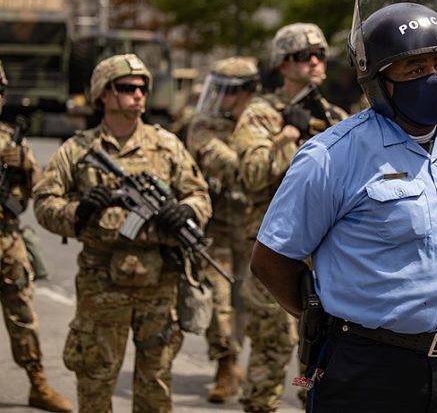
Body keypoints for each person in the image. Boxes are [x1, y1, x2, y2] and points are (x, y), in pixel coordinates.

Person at [250, 0, 437, 413]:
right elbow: (271, 259)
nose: (435, 79)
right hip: (367, 370)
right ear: (377, 81)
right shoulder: (331, 156)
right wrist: (318, 319)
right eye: (414, 67)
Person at [32, 54, 212, 412]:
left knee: (155, 388)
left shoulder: (167, 145)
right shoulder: (79, 150)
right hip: (102, 285)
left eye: (142, 87)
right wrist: (78, 211)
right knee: (95, 384)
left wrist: (186, 211)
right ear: (103, 94)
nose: (139, 94)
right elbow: (43, 203)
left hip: (159, 283)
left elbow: (200, 194)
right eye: (127, 88)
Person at [234, 22, 347, 413]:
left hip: (325, 256)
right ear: (283, 65)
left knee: (315, 356)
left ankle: (305, 397)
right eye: (304, 56)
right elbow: (251, 174)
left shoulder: (335, 116)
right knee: (271, 346)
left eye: (319, 55)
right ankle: (261, 403)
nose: (315, 62)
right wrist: (285, 135)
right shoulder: (261, 114)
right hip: (277, 254)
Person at [184, 56, 260, 402]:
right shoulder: (204, 124)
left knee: (247, 299)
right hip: (216, 227)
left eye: (228, 92)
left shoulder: (262, 123)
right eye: (219, 91)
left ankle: (241, 361)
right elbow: (224, 162)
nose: (220, 99)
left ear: (247, 92)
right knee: (217, 298)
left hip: (253, 228)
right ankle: (226, 364)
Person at [0, 60, 73, 412]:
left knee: (24, 316)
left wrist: (25, 165)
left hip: (7, 240)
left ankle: (38, 383)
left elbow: (41, 190)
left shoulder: (11, 138)